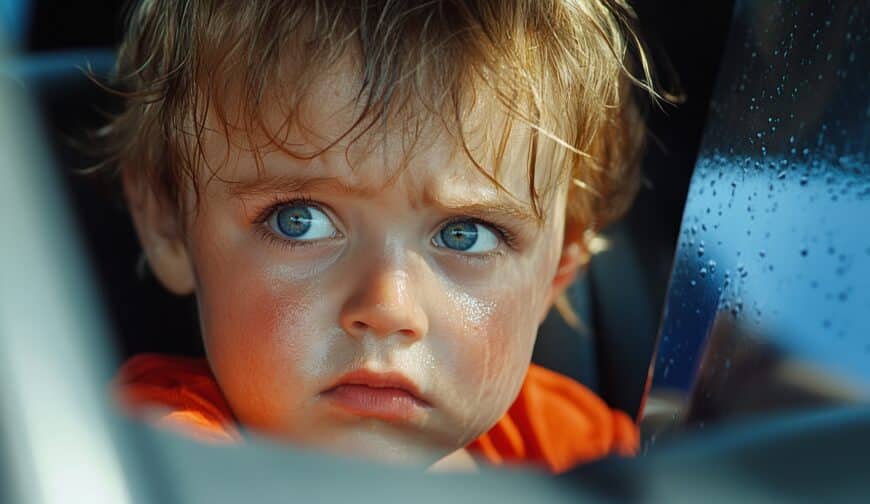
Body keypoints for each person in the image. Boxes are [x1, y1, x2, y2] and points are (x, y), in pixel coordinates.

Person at [104, 0, 661, 473]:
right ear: (168, 224)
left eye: (466, 235)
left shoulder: (576, 451)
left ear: (558, 270)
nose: (387, 307)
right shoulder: (159, 457)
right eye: (300, 220)